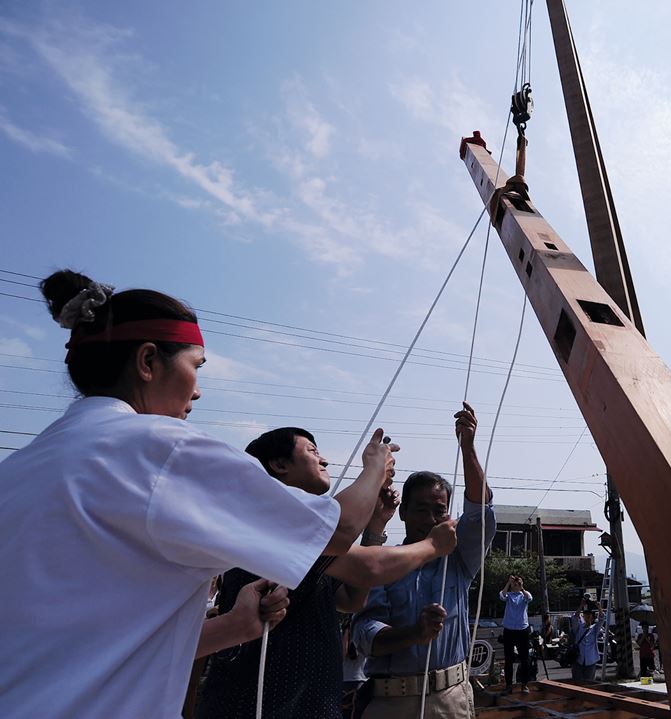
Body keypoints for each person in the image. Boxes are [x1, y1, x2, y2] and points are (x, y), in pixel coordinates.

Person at [0, 270, 397, 719]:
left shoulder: (19, 467)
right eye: (196, 366)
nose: (199, 390)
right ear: (148, 362)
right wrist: (373, 466)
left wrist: (234, 627)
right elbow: (340, 530)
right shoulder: (158, 448)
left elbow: (89, 643)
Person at [197, 427, 457, 719]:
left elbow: (351, 598)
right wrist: (432, 544)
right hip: (259, 706)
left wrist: (374, 528)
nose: (324, 461)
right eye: (312, 451)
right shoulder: (268, 520)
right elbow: (366, 562)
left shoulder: (301, 536)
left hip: (305, 704)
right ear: (279, 464)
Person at [355, 402, 495, 719]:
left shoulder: (458, 559)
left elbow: (479, 515)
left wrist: (468, 448)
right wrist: (414, 634)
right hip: (392, 702)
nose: (430, 519)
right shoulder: (383, 561)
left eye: (439, 510)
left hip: (451, 699)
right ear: (402, 512)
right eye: (420, 509)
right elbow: (365, 633)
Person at [499, 574, 533, 694]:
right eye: (515, 583)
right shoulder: (508, 595)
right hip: (509, 629)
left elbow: (529, 598)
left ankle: (524, 684)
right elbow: (502, 595)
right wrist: (509, 583)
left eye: (518, 583)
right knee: (509, 658)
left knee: (525, 658)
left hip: (522, 629)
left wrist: (522, 587)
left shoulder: (524, 595)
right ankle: (509, 685)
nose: (516, 585)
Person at [571, 603, 605, 681]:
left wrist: (599, 607)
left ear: (592, 618)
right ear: (583, 616)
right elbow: (574, 618)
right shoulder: (578, 627)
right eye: (586, 615)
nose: (588, 616)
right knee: (577, 682)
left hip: (591, 660)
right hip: (578, 659)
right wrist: (581, 605)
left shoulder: (594, 628)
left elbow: (602, 619)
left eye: (589, 615)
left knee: (590, 682)